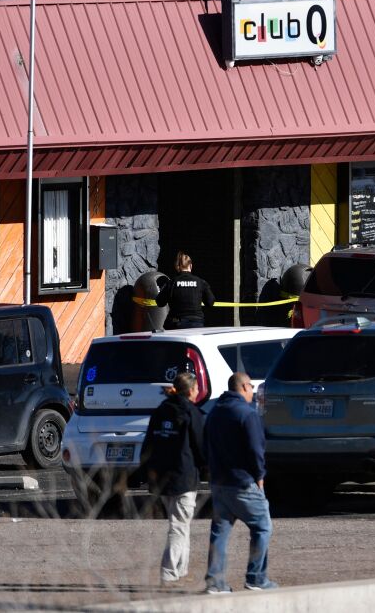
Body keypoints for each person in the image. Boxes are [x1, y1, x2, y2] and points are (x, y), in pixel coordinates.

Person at [202, 372, 276, 594]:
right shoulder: (246, 414)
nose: (253, 391)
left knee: (220, 531)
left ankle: (215, 582)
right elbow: (256, 449)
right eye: (251, 387)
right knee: (262, 527)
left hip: (219, 481)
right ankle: (256, 578)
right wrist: (260, 475)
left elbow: (205, 444)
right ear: (244, 386)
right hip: (242, 481)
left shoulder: (215, 412)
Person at [142, 371, 206, 586]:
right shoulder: (191, 412)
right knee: (178, 526)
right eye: (196, 388)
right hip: (184, 478)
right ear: (191, 391)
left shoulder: (161, 411)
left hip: (162, 478)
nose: (198, 392)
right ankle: (169, 571)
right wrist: (208, 470)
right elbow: (200, 447)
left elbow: (148, 445)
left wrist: (147, 474)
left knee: (180, 523)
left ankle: (181, 568)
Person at [162, 251, 215, 329]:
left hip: (176, 323)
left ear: (178, 267)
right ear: (191, 266)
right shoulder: (201, 282)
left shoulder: (171, 283)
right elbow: (210, 302)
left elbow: (160, 302)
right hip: (197, 323)